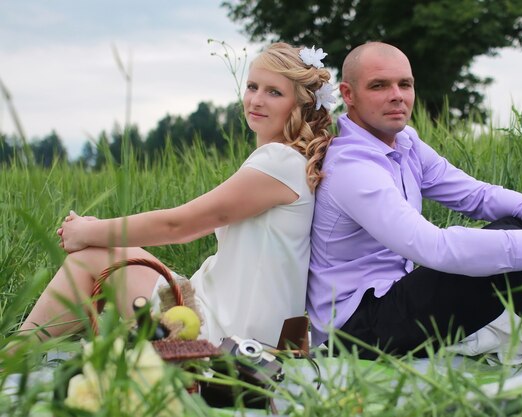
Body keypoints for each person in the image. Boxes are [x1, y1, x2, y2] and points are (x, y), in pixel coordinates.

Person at [306, 41, 522, 362]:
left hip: (395, 296)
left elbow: (476, 195)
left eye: (405, 84)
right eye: (379, 86)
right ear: (349, 94)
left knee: (515, 228)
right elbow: (431, 246)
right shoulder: (351, 167)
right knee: (511, 256)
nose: (397, 95)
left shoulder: (406, 143)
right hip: (357, 328)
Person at [18, 42, 334, 347]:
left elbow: (180, 226)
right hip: (222, 314)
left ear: (300, 105)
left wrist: (86, 231)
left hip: (224, 333)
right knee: (102, 250)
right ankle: (29, 358)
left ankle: (11, 362)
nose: (256, 100)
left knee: (92, 256)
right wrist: (94, 231)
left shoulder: (278, 161)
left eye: (274, 92)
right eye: (252, 86)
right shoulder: (290, 161)